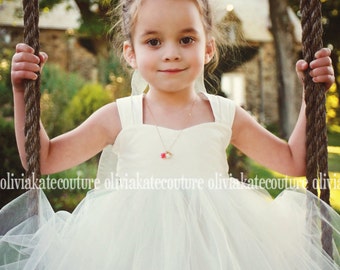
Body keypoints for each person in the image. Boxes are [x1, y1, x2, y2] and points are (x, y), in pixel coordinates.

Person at [1, 0, 339, 269]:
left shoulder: (224, 114)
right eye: (153, 41)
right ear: (130, 53)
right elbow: (43, 159)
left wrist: (313, 99)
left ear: (208, 48)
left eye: (186, 39)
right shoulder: (118, 116)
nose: (171, 52)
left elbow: (294, 161)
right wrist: (22, 93)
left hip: (217, 245)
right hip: (133, 246)